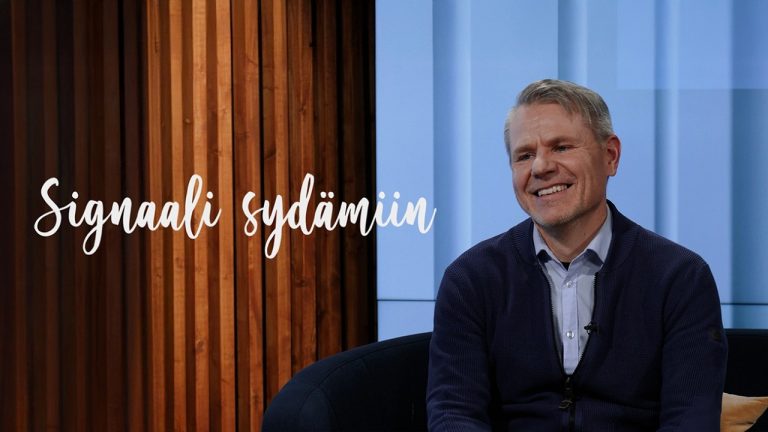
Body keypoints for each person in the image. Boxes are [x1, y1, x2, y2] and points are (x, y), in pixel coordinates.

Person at [426, 79, 727, 431]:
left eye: (561, 147)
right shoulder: (470, 280)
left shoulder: (680, 277)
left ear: (610, 156)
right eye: (524, 155)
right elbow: (454, 413)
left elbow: (691, 419)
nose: (540, 167)